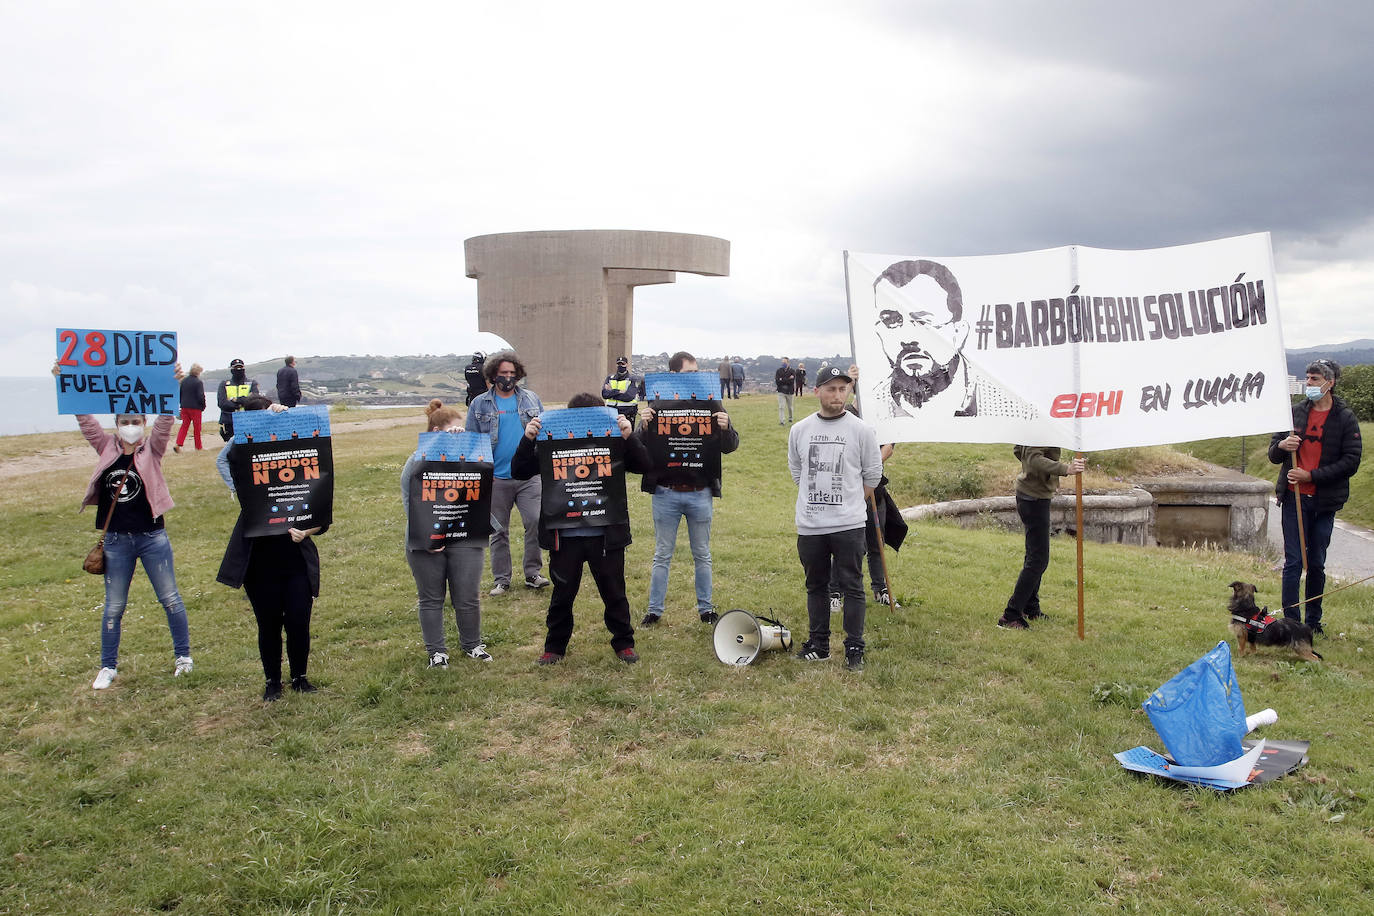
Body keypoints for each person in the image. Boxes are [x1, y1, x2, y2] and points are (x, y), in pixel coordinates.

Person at [56, 362, 193, 690]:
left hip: (152, 537)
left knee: (171, 598)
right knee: (114, 605)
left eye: (135, 421)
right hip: (116, 541)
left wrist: (171, 386)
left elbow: (165, 421)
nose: (130, 426)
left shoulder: (153, 449)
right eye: (124, 422)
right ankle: (108, 666)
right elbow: (85, 420)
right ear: (116, 425)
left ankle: (183, 658)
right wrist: (66, 381)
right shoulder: (106, 447)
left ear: (143, 424)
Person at [511, 393, 653, 665]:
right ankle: (554, 647)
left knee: (614, 592)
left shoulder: (613, 440)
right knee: (562, 594)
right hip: (564, 535)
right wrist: (527, 439)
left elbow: (645, 465)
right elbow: (519, 470)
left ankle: (624, 643)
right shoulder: (551, 440)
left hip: (606, 534)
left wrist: (628, 436)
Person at [216, 394, 327, 701]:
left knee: (298, 622)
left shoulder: (294, 465)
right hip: (259, 563)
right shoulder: (244, 458)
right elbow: (223, 458)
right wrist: (239, 490)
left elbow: (316, 432)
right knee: (268, 625)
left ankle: (300, 677)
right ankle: (272, 682)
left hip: (294, 562)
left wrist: (286, 414)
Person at [635, 351, 740, 627]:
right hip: (665, 492)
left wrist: (726, 428)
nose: (694, 379)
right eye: (689, 374)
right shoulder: (657, 402)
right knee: (662, 554)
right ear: (673, 376)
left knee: (702, 553)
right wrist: (643, 426)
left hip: (699, 492)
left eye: (697, 374)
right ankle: (654, 610)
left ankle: (706, 609)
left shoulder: (710, 401)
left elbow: (730, 446)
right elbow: (637, 448)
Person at [789, 366, 882, 671]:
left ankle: (854, 647)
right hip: (811, 525)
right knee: (816, 586)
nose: (838, 395)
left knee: (853, 586)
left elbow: (872, 475)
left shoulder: (862, 430)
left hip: (849, 524)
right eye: (831, 389)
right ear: (817, 392)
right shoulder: (799, 430)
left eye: (843, 389)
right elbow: (797, 473)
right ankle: (819, 644)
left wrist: (851, 501)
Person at [1268, 359, 1363, 635]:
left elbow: (1351, 461)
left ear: (1329, 383)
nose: (1308, 384)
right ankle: (1291, 624)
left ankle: (1312, 622)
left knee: (1316, 562)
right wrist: (1283, 446)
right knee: (1294, 562)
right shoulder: (1293, 414)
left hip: (1324, 502)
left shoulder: (1345, 418)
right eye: (1307, 378)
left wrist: (1312, 476)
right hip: (1293, 499)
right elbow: (1273, 453)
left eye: (1314, 379)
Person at [401, 400, 493, 667]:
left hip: (465, 535)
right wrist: (426, 536)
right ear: (435, 430)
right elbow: (410, 498)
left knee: (468, 596)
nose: (460, 434)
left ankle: (472, 644)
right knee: (431, 598)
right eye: (454, 429)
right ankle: (437, 652)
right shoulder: (418, 457)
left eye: (461, 430)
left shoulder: (471, 457)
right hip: (426, 541)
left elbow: (486, 480)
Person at [465, 350, 550, 595]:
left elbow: (544, 435)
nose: (508, 378)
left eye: (512, 373)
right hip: (496, 477)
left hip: (529, 477)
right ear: (493, 375)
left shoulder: (532, 399)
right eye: (503, 373)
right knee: (498, 530)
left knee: (534, 522)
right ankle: (501, 579)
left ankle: (533, 573)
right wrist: (481, 473)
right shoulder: (479, 403)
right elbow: (472, 442)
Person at [870, 258, 977, 418]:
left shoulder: (1002, 403)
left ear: (959, 332)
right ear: (879, 331)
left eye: (924, 322)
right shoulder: (872, 406)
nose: (907, 339)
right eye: (891, 320)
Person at [997, 446, 1087, 630]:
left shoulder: (1037, 425)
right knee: (1038, 560)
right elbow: (1033, 458)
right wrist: (1065, 469)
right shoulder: (1041, 428)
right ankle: (1010, 615)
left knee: (1034, 556)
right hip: (1034, 499)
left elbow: (1018, 450)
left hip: (1032, 495)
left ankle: (1030, 607)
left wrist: (1036, 474)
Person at [216, 358, 259, 441]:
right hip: (229, 419)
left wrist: (235, 400)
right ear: (231, 370)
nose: (238, 370)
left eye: (240, 368)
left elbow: (255, 401)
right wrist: (242, 403)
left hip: (247, 420)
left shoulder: (252, 383)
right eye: (236, 368)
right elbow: (222, 403)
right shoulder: (224, 384)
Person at [174, 362, 206, 452]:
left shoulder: (184, 381)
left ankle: (178, 443)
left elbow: (180, 394)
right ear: (198, 372)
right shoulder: (198, 382)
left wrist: (181, 404)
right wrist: (203, 406)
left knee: (184, 426)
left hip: (184, 406)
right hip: (195, 408)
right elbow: (201, 396)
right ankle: (198, 447)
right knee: (197, 428)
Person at [602, 356, 643, 425]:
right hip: (611, 413)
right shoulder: (610, 378)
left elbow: (628, 396)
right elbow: (604, 394)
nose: (620, 366)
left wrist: (611, 393)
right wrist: (618, 391)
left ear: (627, 364)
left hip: (627, 413)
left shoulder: (633, 379)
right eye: (619, 364)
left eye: (623, 364)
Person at [775, 357, 796, 425]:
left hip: (790, 392)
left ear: (788, 363)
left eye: (785, 362)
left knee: (790, 407)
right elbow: (777, 381)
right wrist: (787, 379)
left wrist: (782, 379)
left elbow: (791, 381)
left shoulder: (792, 371)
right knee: (781, 407)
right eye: (782, 362)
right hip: (781, 391)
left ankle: (790, 418)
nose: (783, 363)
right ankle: (782, 421)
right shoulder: (778, 371)